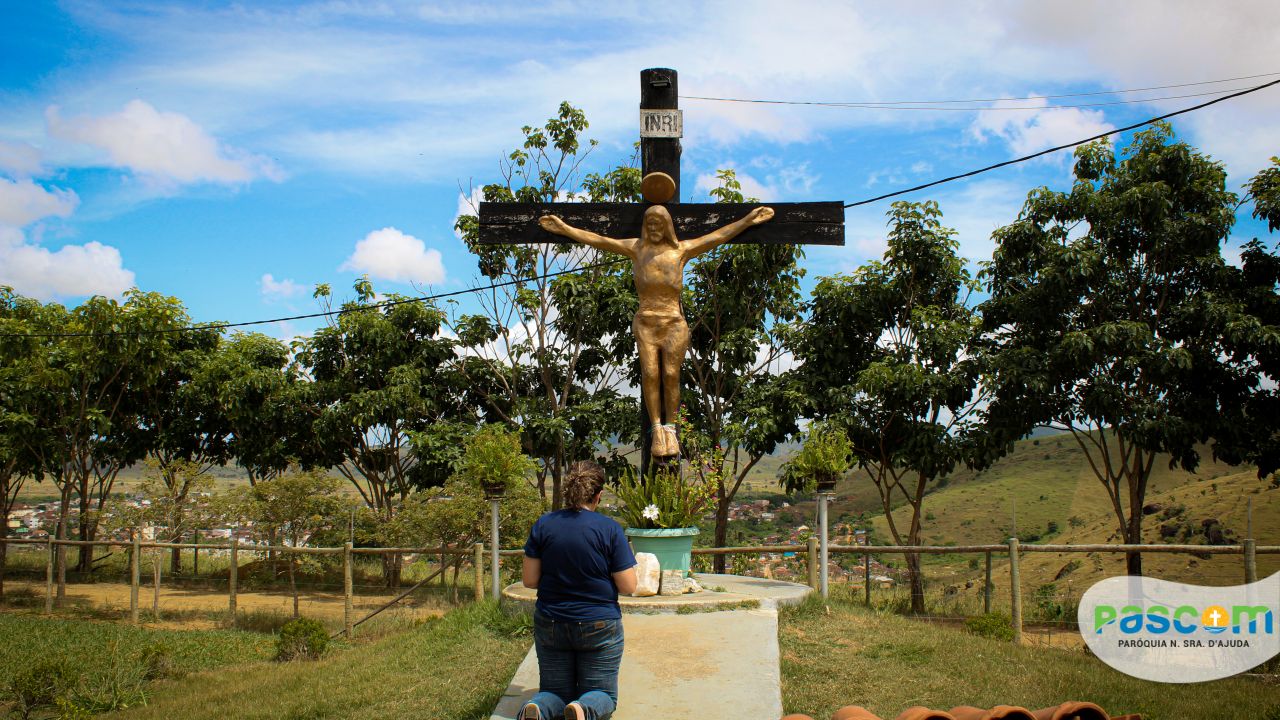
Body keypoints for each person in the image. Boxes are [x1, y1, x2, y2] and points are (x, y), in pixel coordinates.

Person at [538, 204, 774, 458]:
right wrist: (565, 229)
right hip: (646, 322)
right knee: (650, 373)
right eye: (649, 224)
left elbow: (717, 236)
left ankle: (671, 429)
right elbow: (599, 240)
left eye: (658, 224)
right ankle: (657, 429)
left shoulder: (682, 250)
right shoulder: (636, 249)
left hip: (673, 323)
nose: (653, 228)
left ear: (667, 226)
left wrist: (748, 221)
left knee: (671, 374)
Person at [520, 461, 638, 720]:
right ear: (598, 495)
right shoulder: (609, 529)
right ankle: (583, 709)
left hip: (552, 621)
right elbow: (628, 585)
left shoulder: (543, 525)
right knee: (602, 694)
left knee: (554, 691)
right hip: (599, 623)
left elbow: (529, 580)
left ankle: (538, 707)